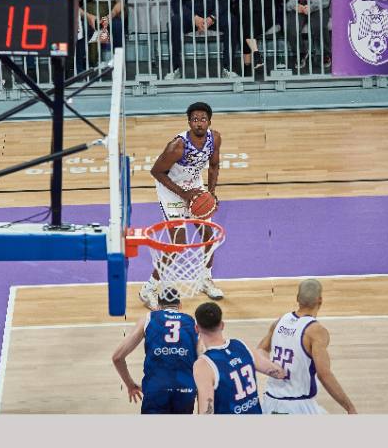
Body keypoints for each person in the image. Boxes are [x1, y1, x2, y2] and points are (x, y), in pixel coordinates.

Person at [140, 101, 223, 309]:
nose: (199, 123)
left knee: (207, 235)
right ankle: (148, 288)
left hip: (195, 187)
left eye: (203, 119)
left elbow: (213, 166)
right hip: (171, 191)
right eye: (195, 119)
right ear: (189, 123)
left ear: (209, 122)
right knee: (178, 243)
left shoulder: (215, 138)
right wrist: (184, 194)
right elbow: (156, 172)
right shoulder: (178, 146)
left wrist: (211, 193)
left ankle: (205, 278)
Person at [257, 279, 357, 414]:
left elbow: (260, 350)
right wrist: (349, 407)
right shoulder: (316, 331)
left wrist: (273, 369)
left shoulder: (281, 321)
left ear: (297, 298)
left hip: (269, 401)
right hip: (297, 405)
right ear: (320, 300)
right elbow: (324, 375)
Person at [111, 286, 198, 413]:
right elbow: (204, 359)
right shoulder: (192, 322)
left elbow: (117, 357)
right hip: (185, 389)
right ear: (180, 306)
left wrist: (130, 385)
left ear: (158, 306)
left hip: (156, 389)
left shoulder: (149, 318)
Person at [192, 302, 286, 414]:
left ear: (197, 328)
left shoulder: (203, 365)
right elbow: (280, 373)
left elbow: (206, 413)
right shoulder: (241, 346)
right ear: (222, 325)